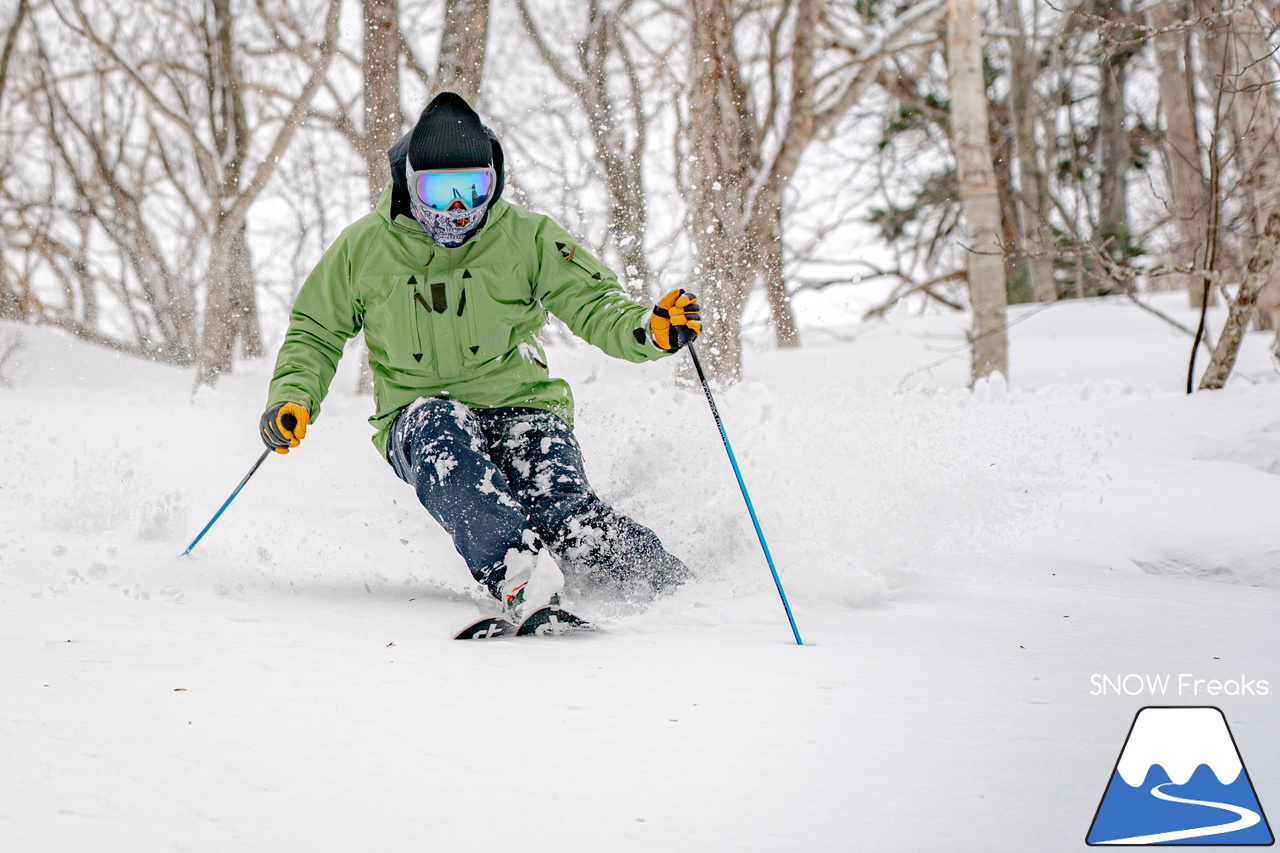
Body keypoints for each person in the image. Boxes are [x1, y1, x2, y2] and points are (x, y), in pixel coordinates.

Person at [259, 92, 701, 621]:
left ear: (494, 180)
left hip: (523, 405)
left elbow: (593, 302)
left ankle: (675, 590)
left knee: (561, 511)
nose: (458, 209)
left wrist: (647, 331)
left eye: (473, 188)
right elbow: (316, 331)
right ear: (409, 181)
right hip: (417, 414)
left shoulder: (527, 238)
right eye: (439, 191)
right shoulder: (363, 249)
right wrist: (293, 397)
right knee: (442, 432)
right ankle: (521, 574)